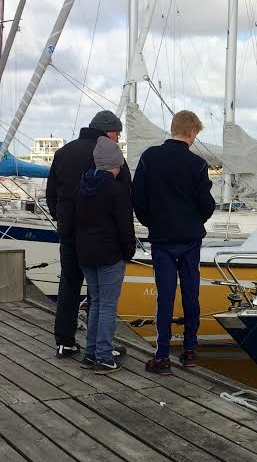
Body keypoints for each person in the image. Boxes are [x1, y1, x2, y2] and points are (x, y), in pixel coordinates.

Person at [132, 110, 216, 375]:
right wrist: (195, 219)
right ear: (191, 132)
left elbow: (138, 197)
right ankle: (190, 351)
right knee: (191, 293)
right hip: (190, 238)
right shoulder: (198, 165)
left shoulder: (149, 158)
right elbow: (207, 204)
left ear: (174, 128)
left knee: (165, 296)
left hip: (163, 238)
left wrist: (151, 222)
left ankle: (163, 355)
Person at [46, 110, 131, 358]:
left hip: (70, 233)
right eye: (117, 133)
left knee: (69, 286)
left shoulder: (63, 153)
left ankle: (65, 341)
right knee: (101, 296)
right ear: (109, 132)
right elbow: (124, 193)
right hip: (103, 238)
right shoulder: (108, 153)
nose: (117, 139)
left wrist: (61, 219)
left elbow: (51, 193)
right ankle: (100, 347)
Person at [75, 137, 136, 373]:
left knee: (97, 303)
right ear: (116, 164)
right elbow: (124, 226)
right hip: (109, 253)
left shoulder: (82, 187)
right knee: (108, 305)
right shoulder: (117, 191)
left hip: (85, 252)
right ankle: (102, 355)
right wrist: (128, 251)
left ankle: (91, 352)